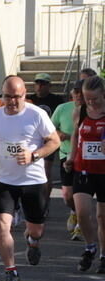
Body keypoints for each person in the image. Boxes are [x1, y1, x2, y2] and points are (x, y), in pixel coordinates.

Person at [0, 76, 60, 281]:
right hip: (6, 181)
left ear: (24, 95)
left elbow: (54, 141)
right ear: (2, 95)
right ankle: (11, 272)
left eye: (16, 97)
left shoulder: (37, 114)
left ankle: (32, 241)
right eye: (7, 97)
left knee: (36, 229)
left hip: (34, 181)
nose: (12, 102)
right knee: (1, 226)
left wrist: (34, 155)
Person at [68, 76, 105, 273]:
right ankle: (90, 247)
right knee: (82, 212)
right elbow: (76, 135)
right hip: (84, 169)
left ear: (103, 95)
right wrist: (71, 157)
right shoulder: (80, 112)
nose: (91, 103)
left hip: (104, 172)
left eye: (95, 99)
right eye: (87, 99)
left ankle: (104, 255)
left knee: (102, 217)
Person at [28, 73, 66, 216]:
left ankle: (44, 202)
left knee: (45, 171)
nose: (40, 86)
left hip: (48, 140)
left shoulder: (56, 100)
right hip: (31, 140)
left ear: (49, 86)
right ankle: (32, 202)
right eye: (37, 83)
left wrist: (59, 132)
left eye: (43, 84)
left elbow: (59, 119)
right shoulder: (30, 100)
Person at [52, 82, 84, 241]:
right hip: (66, 154)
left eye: (81, 92)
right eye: (76, 92)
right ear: (71, 93)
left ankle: (81, 225)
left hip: (85, 158)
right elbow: (49, 129)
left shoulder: (94, 111)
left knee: (82, 193)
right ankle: (75, 212)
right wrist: (59, 133)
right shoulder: (63, 109)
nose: (78, 95)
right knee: (67, 195)